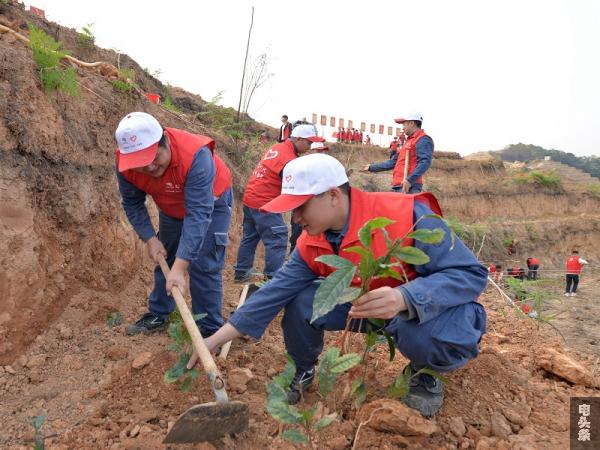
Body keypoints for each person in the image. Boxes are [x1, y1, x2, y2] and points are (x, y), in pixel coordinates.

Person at [188, 153, 488, 418]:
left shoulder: (406, 217)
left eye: (300, 207)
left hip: (422, 313)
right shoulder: (312, 240)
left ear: (332, 195)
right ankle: (303, 370)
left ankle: (425, 373)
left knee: (429, 335)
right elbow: (274, 291)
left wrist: (405, 297)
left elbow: (470, 274)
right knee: (302, 300)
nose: (295, 218)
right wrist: (214, 340)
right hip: (364, 309)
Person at [114, 112, 233, 336]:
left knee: (203, 264)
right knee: (166, 257)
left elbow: (198, 214)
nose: (149, 168)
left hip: (211, 202)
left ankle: (209, 330)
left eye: (154, 158)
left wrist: (180, 268)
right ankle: (160, 313)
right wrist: (150, 238)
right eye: (141, 164)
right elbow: (132, 202)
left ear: (165, 140)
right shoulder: (124, 164)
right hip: (170, 207)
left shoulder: (195, 155)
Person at [235, 125, 325, 282]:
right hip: (265, 202)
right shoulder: (288, 158)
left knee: (250, 236)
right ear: (298, 139)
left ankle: (242, 272)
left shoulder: (278, 147)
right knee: (278, 236)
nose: (310, 147)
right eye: (309, 143)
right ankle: (273, 278)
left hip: (251, 198)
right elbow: (294, 185)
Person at [362, 113, 434, 193]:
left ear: (411, 123)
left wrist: (409, 180)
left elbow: (425, 162)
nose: (403, 128)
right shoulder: (408, 142)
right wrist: (371, 167)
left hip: (409, 187)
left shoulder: (423, 139)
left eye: (404, 125)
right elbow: (393, 162)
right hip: (398, 185)